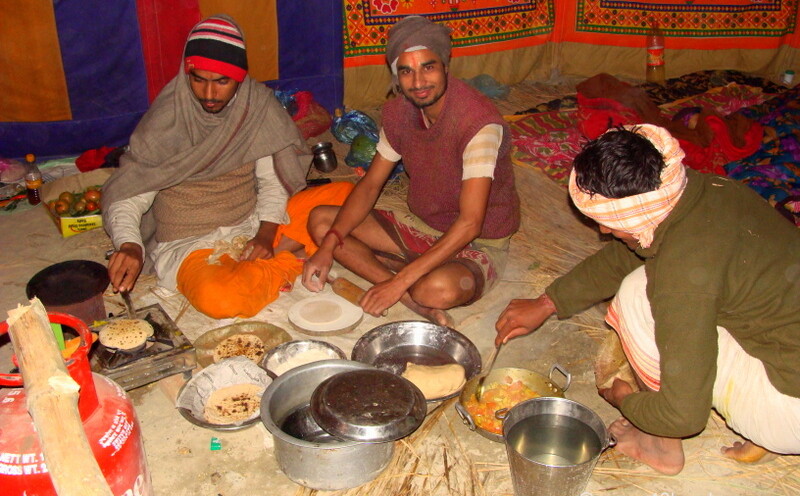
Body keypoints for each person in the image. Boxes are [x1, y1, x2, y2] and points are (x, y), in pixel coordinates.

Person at [495, 124, 800, 475]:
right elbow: (635, 248)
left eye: (608, 224)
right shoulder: (705, 190)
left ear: (638, 216)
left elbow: (684, 415)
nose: (602, 231)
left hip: (790, 410)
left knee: (636, 294)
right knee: (656, 279)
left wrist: (626, 399)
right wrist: (548, 301)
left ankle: (661, 447)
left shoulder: (681, 276)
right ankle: (765, 419)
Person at [103, 15, 352, 318]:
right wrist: (129, 245)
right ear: (187, 73)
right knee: (219, 300)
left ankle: (269, 253)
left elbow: (273, 183)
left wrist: (263, 234)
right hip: (191, 242)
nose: (209, 94)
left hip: (255, 224)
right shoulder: (167, 119)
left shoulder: (256, 108)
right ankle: (288, 258)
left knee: (346, 195)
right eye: (199, 79)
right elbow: (130, 194)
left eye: (222, 81)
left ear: (240, 77)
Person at [301, 16, 520, 325]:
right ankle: (408, 295)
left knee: (435, 290)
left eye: (428, 67)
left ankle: (404, 280)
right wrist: (328, 247)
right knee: (323, 223)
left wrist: (399, 279)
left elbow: (471, 223)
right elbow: (370, 185)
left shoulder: (477, 124)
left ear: (445, 65)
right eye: (406, 71)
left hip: (479, 241)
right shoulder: (399, 113)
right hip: (425, 227)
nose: (418, 82)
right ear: (396, 75)